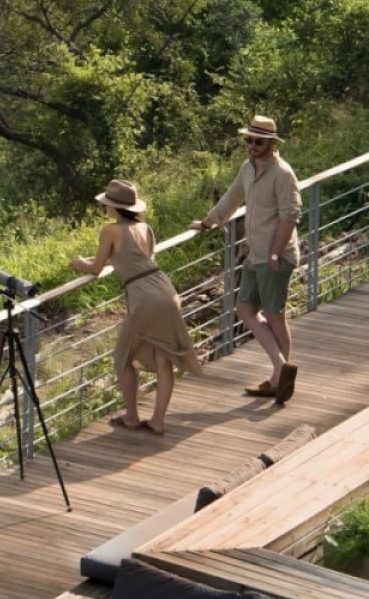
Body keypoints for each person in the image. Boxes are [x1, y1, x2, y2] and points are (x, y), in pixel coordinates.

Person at [71, 179, 204, 434]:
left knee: (123, 358)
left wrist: (80, 263)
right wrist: (91, 260)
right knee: (163, 359)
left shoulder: (110, 231)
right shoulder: (144, 227)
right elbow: (128, 260)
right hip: (165, 291)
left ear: (112, 206)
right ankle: (157, 421)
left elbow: (97, 268)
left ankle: (132, 416)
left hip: (143, 298)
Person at [188, 114, 301, 403]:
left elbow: (290, 216)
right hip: (255, 252)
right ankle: (280, 368)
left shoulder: (283, 174)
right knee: (245, 308)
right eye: (248, 140)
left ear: (272, 143)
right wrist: (208, 222)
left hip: (275, 255)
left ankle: (279, 378)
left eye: (258, 141)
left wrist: (276, 252)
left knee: (275, 315)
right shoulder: (247, 168)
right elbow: (232, 197)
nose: (252, 145)